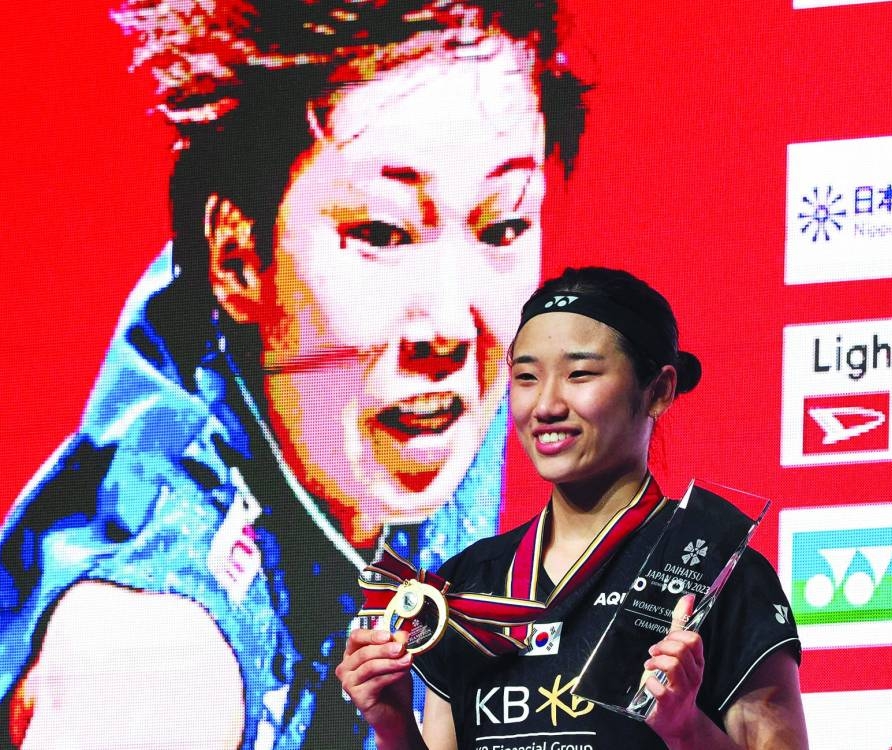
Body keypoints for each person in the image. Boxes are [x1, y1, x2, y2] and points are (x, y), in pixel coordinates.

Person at [0, 2, 587, 748]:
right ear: (239, 259)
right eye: (381, 233)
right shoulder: (149, 661)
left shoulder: (411, 384)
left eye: (502, 226)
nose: (448, 326)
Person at [337, 266, 810, 749]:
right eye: (526, 377)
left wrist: (684, 727)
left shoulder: (718, 570)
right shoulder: (469, 581)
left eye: (579, 374)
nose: (545, 405)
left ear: (659, 390)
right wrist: (393, 723)